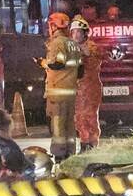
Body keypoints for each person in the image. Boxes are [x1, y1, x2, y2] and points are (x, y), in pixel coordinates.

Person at [39, 12, 82, 161]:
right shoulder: (73, 44)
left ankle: (59, 154)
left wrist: (43, 63)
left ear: (53, 25)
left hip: (58, 92)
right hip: (71, 92)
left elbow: (57, 63)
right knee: (70, 124)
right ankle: (71, 152)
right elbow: (80, 70)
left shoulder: (58, 43)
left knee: (58, 125)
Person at [70, 15, 103, 151]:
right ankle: (84, 143)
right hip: (77, 89)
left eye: (79, 31)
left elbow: (93, 59)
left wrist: (83, 50)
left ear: (85, 33)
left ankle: (92, 144)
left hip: (90, 89)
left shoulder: (91, 47)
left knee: (90, 116)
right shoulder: (71, 47)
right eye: (74, 31)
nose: (76, 34)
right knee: (79, 118)